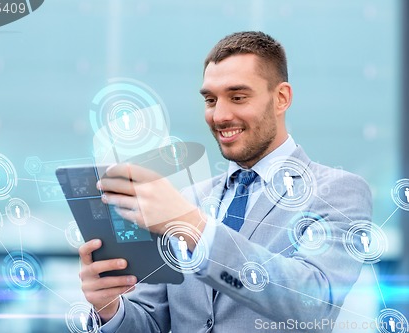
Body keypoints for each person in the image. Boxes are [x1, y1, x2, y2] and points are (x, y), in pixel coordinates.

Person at [78, 31, 372, 333]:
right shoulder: (187, 200)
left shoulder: (337, 191)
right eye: (210, 99)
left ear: (281, 98)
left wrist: (194, 227)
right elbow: (151, 322)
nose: (219, 115)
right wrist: (109, 309)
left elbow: (312, 302)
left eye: (238, 97)